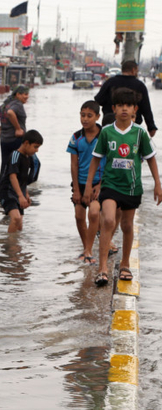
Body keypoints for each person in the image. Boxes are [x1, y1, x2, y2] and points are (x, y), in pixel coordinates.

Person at [83, 87, 162, 287]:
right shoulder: (107, 132)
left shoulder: (140, 133)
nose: (124, 109)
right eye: (120, 105)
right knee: (108, 220)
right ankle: (102, 268)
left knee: (127, 226)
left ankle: (125, 264)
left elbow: (151, 159)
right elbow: (95, 160)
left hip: (132, 187)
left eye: (128, 105)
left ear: (134, 109)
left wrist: (158, 185)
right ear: (114, 109)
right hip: (110, 185)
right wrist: (88, 186)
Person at [67, 100, 104, 264]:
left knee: (94, 212)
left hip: (97, 184)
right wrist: (76, 189)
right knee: (79, 216)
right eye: (83, 115)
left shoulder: (105, 136)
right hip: (80, 184)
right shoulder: (76, 137)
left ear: (98, 116)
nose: (85, 119)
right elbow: (74, 164)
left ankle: (89, 249)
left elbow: (109, 162)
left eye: (90, 116)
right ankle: (86, 248)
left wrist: (101, 185)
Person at [94, 59, 157, 136]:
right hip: (132, 127)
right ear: (133, 70)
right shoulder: (140, 85)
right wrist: (151, 127)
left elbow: (98, 100)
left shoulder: (110, 82)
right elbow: (146, 108)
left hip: (110, 125)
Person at [0, 129, 43, 233]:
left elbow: (22, 179)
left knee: (19, 227)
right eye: (35, 147)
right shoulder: (15, 155)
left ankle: (14, 245)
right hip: (7, 192)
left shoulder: (28, 158)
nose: (37, 150)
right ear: (26, 143)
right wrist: (20, 196)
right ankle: (9, 246)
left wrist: (25, 193)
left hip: (19, 192)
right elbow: (12, 176)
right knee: (16, 218)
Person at [0, 85, 29, 183]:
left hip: (4, 140)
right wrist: (18, 129)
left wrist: (0, 129)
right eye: (25, 94)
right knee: (24, 164)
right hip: (16, 140)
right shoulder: (17, 104)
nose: (27, 97)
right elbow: (10, 113)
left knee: (5, 164)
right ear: (18, 94)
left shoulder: (5, 105)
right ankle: (22, 188)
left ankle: (2, 185)